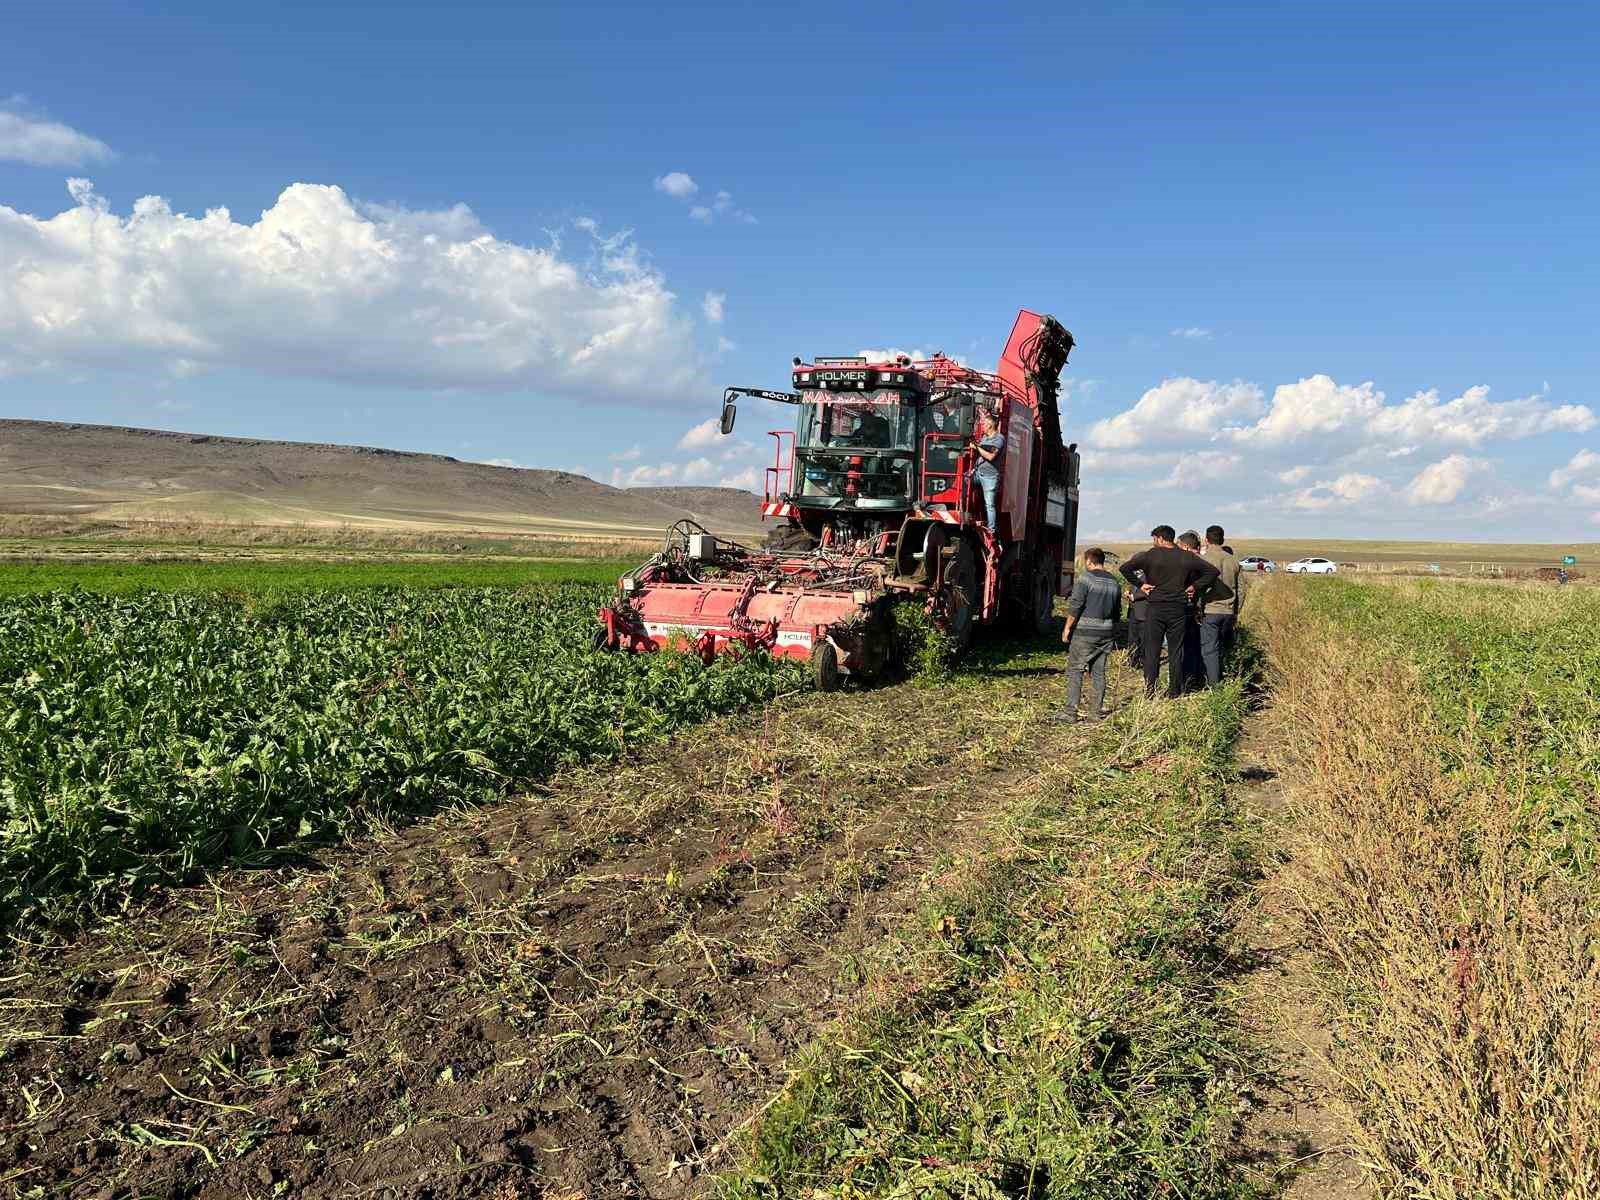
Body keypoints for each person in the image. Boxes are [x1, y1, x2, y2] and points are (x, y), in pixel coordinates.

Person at [1120, 525, 1221, 700]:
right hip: (1178, 610)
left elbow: (1125, 568)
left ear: (1159, 538)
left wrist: (1140, 585)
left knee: (1152, 651)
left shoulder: (1150, 554)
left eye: (1154, 539)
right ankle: (1175, 691)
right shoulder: (1186, 556)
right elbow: (1212, 572)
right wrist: (1194, 586)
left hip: (1155, 608)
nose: (1153, 542)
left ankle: (1150, 691)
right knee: (1176, 651)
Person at [1054, 547, 1121, 723]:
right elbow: (1117, 613)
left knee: (1075, 670)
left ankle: (1070, 712)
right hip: (1106, 633)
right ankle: (1095, 713)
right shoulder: (1114, 582)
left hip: (1085, 633)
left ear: (1089, 561)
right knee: (1099, 673)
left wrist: (1067, 627)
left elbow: (1076, 605)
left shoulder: (1086, 579)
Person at [1199, 525, 1242, 686]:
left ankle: (1214, 687)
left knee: (1210, 650)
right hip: (1229, 611)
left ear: (1206, 540)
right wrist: (1236, 610)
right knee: (1223, 647)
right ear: (1222, 539)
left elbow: (1199, 587)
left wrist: (1198, 608)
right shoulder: (1233, 560)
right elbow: (1241, 590)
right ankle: (1226, 677)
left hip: (1210, 610)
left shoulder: (1203, 560)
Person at [970, 409, 1005, 538]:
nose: (983, 426)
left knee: (989, 504)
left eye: (984, 424)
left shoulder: (999, 439)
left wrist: (977, 448)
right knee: (964, 481)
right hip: (978, 472)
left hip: (990, 477)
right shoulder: (984, 437)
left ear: (990, 425)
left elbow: (991, 457)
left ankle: (991, 530)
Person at [1125, 568, 1147, 669]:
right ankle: (1132, 660)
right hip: (1133, 611)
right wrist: (1128, 593)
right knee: (1132, 638)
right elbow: (1132, 588)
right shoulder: (1134, 576)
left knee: (1143, 639)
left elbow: (1149, 590)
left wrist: (1134, 596)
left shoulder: (1149, 575)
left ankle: (1142, 661)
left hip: (1143, 612)